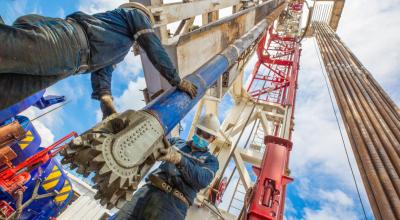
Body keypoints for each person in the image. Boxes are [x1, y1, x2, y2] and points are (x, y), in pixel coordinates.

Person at [0, 3, 197, 119]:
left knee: (7, 92)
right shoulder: (133, 14)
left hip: (69, 64)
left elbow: (104, 73)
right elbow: (151, 44)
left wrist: (106, 102)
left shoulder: (119, 49)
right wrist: (176, 80)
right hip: (67, 41)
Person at [114, 114, 221, 220]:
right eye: (199, 132)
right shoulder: (176, 142)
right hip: (147, 191)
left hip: (174, 206)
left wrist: (179, 159)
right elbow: (152, 146)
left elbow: (202, 179)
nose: (201, 137)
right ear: (195, 129)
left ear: (213, 139)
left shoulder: (211, 161)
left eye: (207, 136)